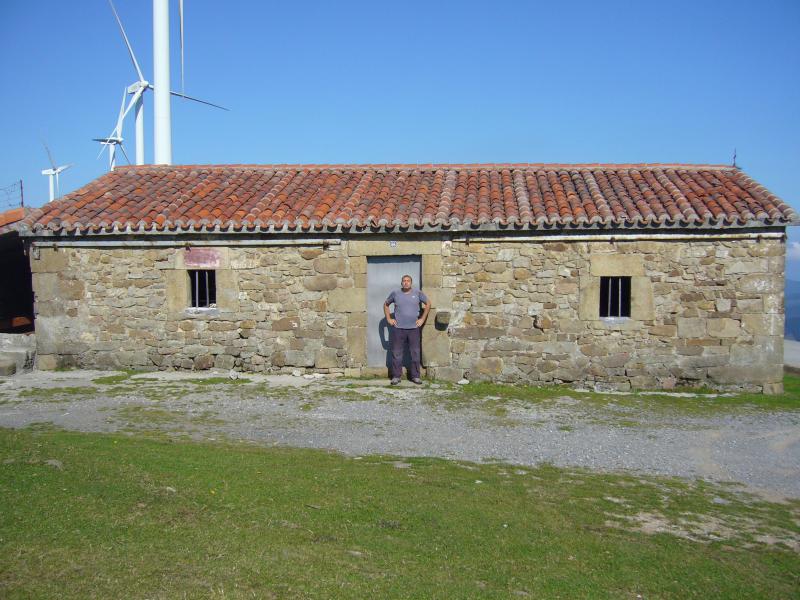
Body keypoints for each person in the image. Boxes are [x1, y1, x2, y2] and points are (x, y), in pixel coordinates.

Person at [384, 275, 431, 385]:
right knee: (397, 353)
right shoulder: (395, 293)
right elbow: (386, 304)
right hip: (398, 328)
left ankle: (415, 376)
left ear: (411, 283)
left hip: (414, 328)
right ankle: (396, 376)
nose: (406, 282)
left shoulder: (417, 293)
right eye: (404, 281)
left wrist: (422, 319)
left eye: (408, 281)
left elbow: (428, 304)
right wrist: (389, 319)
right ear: (401, 283)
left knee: (415, 353)